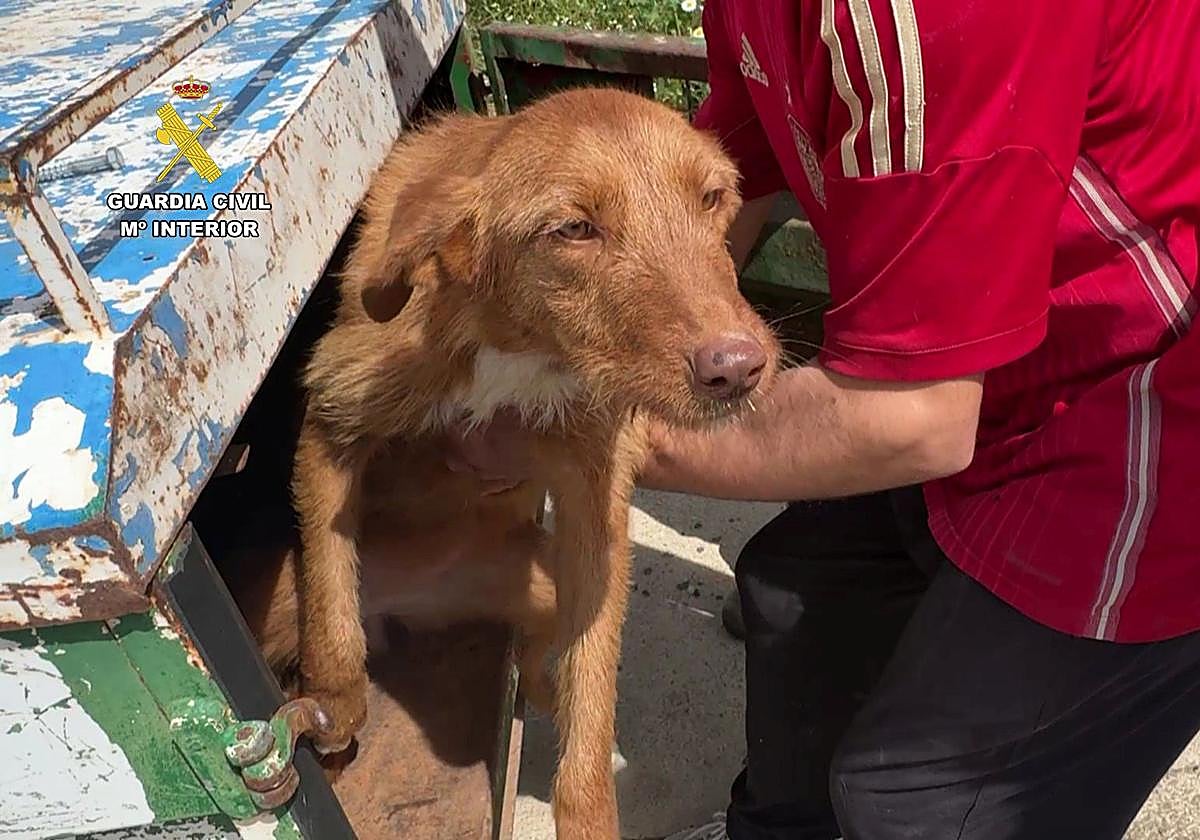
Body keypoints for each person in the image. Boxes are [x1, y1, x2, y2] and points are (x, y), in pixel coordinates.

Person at [447, 1, 1200, 837]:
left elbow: (911, 422)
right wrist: (669, 337)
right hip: (961, 348)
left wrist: (570, 434)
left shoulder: (939, 16)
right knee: (793, 592)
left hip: (1142, 411)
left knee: (916, 800)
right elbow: (740, 156)